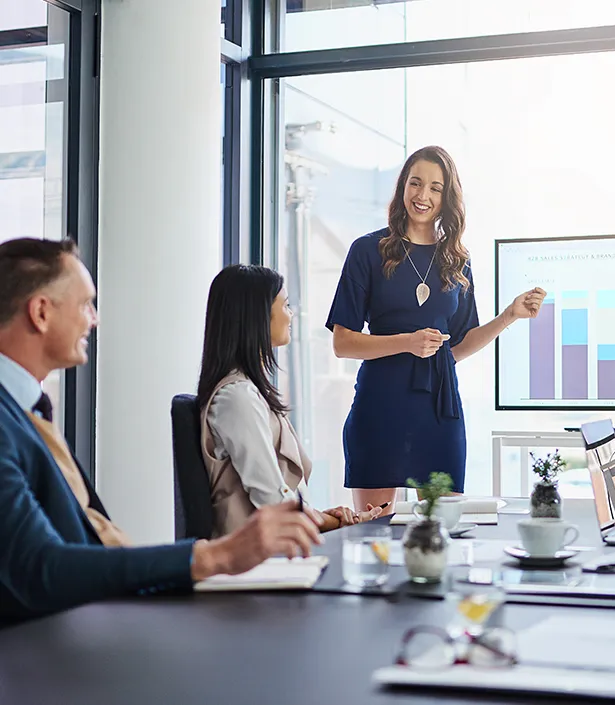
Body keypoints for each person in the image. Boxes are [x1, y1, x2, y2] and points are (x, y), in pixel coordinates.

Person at [0, 238, 323, 627]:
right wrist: (212, 557)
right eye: (86, 304)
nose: (95, 318)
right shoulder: (9, 420)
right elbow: (38, 567)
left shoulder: (25, 412)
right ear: (40, 312)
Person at [326, 145, 545, 510]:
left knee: (444, 531)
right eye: (415, 183)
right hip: (380, 406)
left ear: (447, 198)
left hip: (440, 410)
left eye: (435, 188)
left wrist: (509, 315)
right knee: (375, 534)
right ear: (402, 188)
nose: (422, 195)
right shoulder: (367, 250)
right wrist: (407, 342)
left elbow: (456, 347)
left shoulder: (455, 259)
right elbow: (343, 343)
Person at [196, 264, 382, 538]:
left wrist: (325, 516)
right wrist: (333, 522)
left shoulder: (248, 393)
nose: (291, 315)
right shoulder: (237, 398)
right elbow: (272, 500)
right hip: (255, 561)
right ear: (258, 316)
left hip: (273, 552)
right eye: (285, 306)